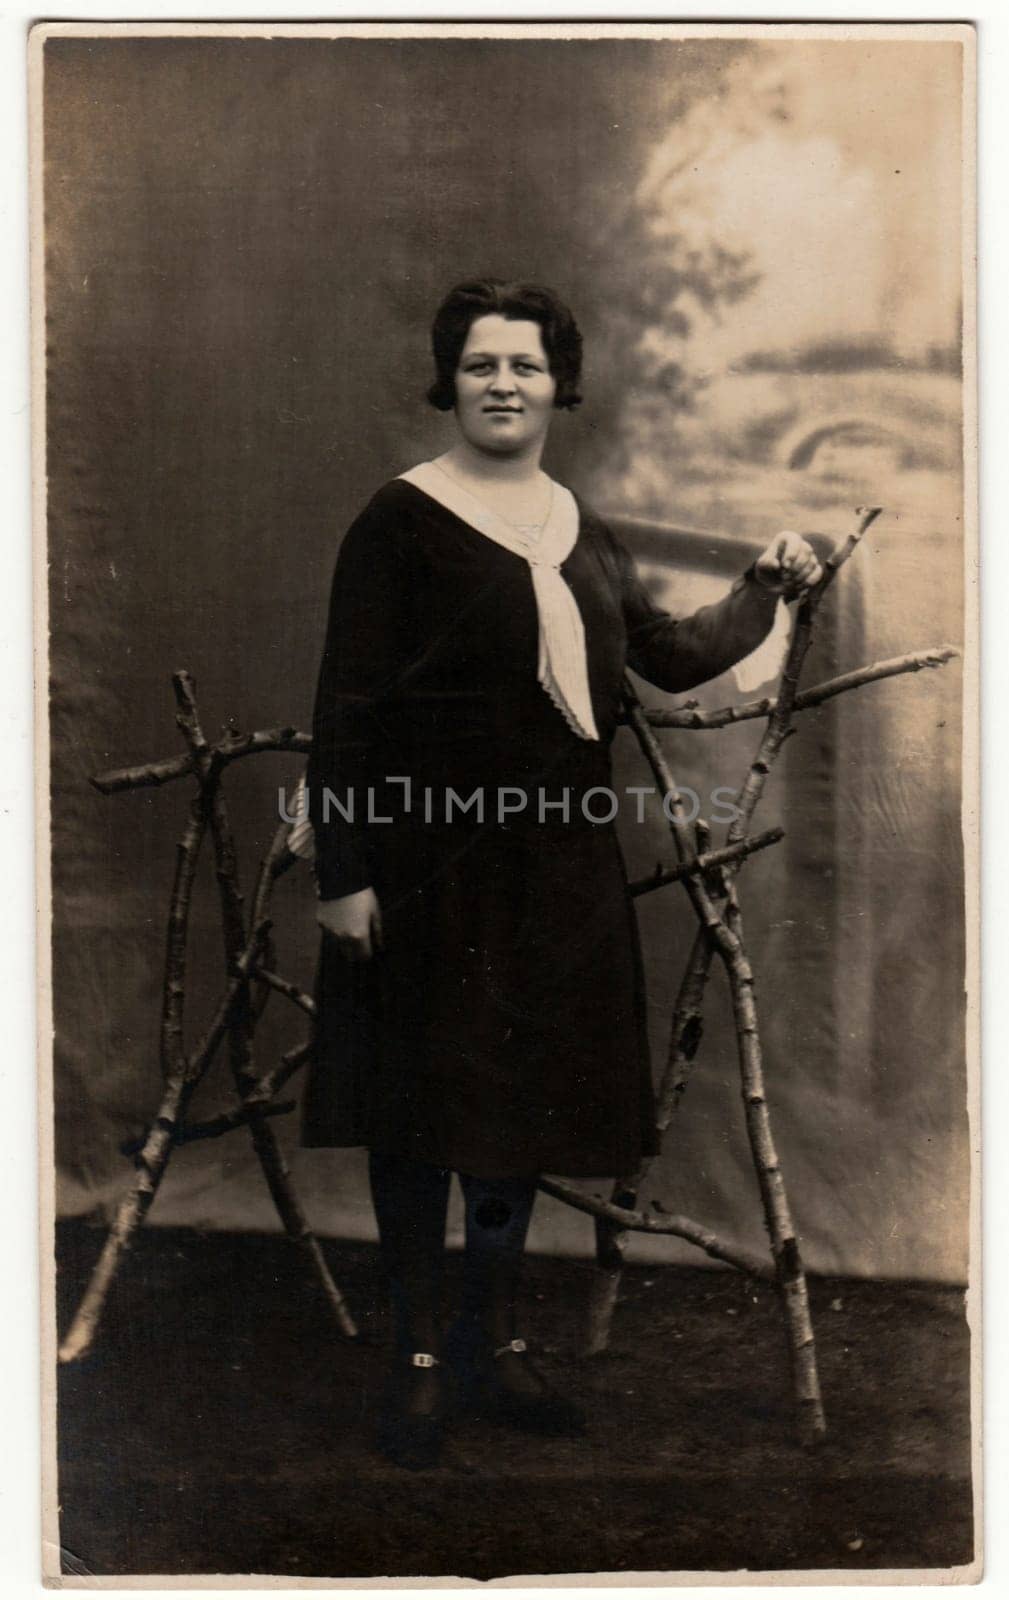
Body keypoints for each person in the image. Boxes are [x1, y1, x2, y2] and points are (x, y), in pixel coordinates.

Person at [299, 278, 822, 1470]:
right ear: (450, 378)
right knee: (422, 1115)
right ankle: (420, 1357)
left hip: (557, 868)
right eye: (480, 363)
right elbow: (346, 707)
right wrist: (344, 870)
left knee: (513, 1109)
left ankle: (488, 1340)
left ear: (557, 384)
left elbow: (668, 658)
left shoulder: (577, 525)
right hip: (429, 864)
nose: (502, 383)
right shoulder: (399, 521)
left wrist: (766, 584)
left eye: (525, 366)